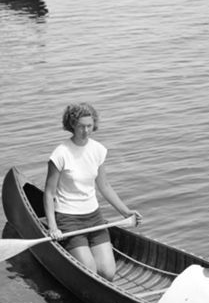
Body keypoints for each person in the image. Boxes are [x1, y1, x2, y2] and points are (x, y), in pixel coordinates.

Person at [43, 103, 141, 281]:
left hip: (94, 218)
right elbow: (49, 193)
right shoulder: (60, 153)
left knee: (107, 273)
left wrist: (126, 211)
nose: (86, 131)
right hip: (68, 219)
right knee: (90, 273)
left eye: (89, 126)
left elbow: (104, 186)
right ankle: (69, 256)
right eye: (81, 126)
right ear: (72, 125)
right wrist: (53, 227)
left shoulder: (98, 150)